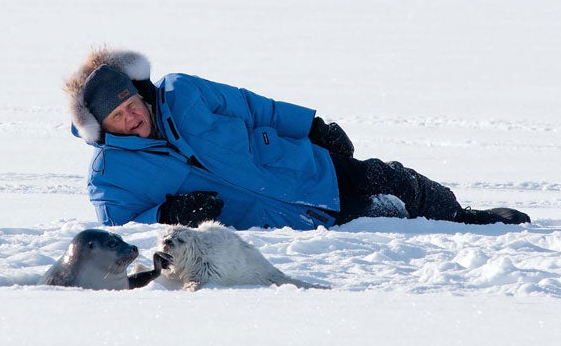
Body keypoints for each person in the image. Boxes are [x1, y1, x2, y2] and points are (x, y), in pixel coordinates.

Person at [64, 48, 530, 231]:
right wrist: (166, 215)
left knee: (391, 178)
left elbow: (252, 107)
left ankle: (464, 217)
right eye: (120, 118)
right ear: (104, 129)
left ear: (140, 94)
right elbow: (118, 225)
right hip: (274, 224)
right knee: (371, 219)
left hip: (302, 167)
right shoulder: (111, 175)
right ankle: (389, 215)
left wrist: (311, 126)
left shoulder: (183, 92)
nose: (133, 118)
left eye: (132, 105)